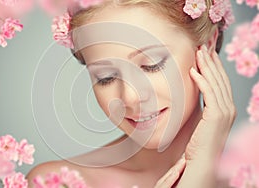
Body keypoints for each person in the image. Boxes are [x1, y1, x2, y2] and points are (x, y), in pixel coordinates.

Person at [27, 0, 237, 187]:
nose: (130, 96)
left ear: (207, 45)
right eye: (106, 77)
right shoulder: (57, 182)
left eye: (151, 65)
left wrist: (205, 162)